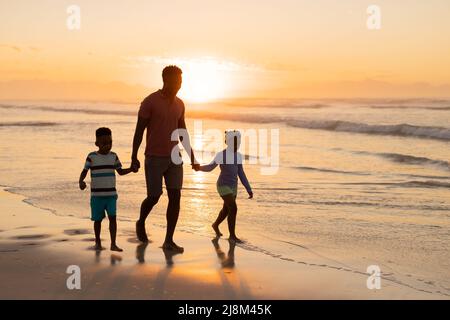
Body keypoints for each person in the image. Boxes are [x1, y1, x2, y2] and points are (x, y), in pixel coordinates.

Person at [131, 65, 199, 253]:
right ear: (165, 79)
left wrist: (192, 156)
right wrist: (134, 156)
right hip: (154, 157)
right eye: (175, 81)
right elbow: (139, 130)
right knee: (154, 196)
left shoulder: (180, 104)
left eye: (180, 81)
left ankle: (169, 240)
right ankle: (141, 221)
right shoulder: (149, 102)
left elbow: (182, 132)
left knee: (175, 196)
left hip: (174, 158)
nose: (178, 85)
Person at [79, 127, 136, 251]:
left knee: (113, 218)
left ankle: (113, 243)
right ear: (97, 144)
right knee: (97, 220)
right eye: (104, 143)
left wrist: (131, 169)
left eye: (110, 142)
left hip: (111, 195)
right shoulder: (91, 157)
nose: (108, 145)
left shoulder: (113, 156)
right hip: (97, 196)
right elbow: (84, 171)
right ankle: (98, 242)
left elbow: (120, 171)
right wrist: (81, 181)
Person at [195, 130, 253, 243]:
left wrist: (248, 188)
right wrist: (199, 168)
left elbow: (241, 173)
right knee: (233, 208)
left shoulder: (239, 156)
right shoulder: (222, 155)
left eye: (238, 142)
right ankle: (232, 236)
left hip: (233, 187)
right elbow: (210, 167)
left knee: (226, 210)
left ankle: (215, 225)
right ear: (228, 142)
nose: (237, 145)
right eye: (235, 143)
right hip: (223, 185)